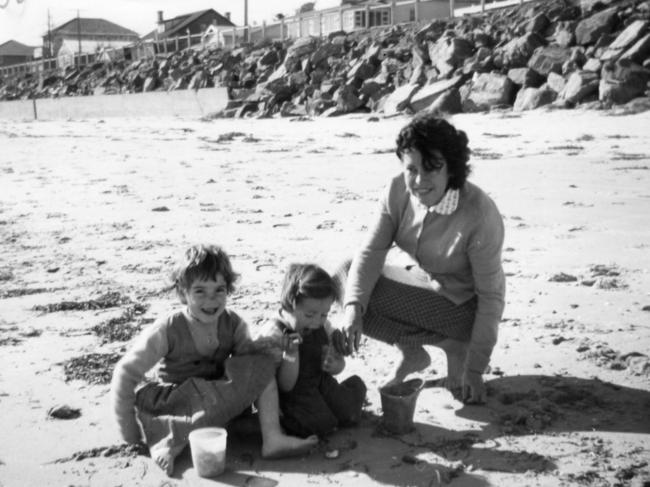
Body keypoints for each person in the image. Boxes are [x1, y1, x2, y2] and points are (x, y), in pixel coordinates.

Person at [334, 114, 506, 405]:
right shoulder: (396, 191)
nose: (418, 181)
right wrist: (352, 310)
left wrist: (475, 371)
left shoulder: (479, 215)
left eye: (431, 170)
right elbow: (371, 252)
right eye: (411, 169)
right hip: (427, 283)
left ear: (451, 168)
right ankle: (413, 352)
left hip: (467, 309)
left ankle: (456, 346)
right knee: (345, 279)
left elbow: (491, 298)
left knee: (366, 292)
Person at [110, 244, 318, 476]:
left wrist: (270, 346)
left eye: (219, 290)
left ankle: (273, 438)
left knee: (261, 367)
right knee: (173, 412)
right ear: (182, 292)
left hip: (215, 398)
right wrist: (129, 432)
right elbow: (126, 372)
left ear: (228, 289)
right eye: (200, 291)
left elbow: (246, 363)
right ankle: (169, 441)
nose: (211, 300)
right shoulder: (169, 328)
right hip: (179, 401)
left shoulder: (233, 323)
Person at [260, 263, 367, 438]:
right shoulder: (273, 335)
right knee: (320, 426)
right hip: (293, 397)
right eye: (309, 315)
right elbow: (284, 387)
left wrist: (334, 364)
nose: (317, 321)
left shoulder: (323, 325)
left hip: (321, 383)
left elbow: (339, 365)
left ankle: (340, 399)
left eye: (324, 314)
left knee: (349, 411)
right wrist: (291, 355)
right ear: (290, 304)